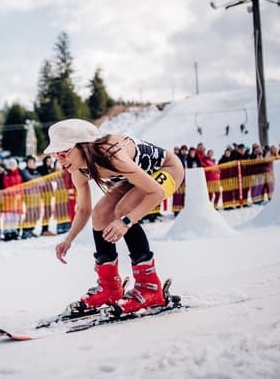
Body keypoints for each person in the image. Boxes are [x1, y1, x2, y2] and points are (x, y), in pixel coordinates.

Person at [45, 119, 184, 315]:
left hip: (168, 169)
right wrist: (68, 239)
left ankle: (150, 288)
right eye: (55, 154)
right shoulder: (78, 169)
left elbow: (156, 193)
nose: (59, 158)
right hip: (136, 176)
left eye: (64, 152)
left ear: (84, 146)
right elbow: (84, 210)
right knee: (100, 214)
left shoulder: (111, 156)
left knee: (123, 210)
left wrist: (126, 221)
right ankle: (109, 287)